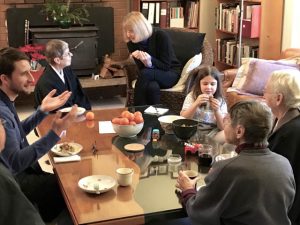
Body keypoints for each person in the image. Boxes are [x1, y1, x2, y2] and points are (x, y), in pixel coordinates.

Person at [176, 100, 295, 225]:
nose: (224, 125)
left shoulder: (228, 168)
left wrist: (187, 189)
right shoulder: (284, 163)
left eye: (227, 121)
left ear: (239, 131)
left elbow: (198, 212)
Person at [0, 47, 77, 222]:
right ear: (4, 79)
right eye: (23, 74)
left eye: (30, 71)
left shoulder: (6, 100)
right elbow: (16, 162)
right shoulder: (1, 111)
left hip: (18, 173)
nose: (31, 78)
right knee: (67, 188)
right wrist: (55, 133)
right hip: (14, 182)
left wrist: (41, 111)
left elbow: (16, 132)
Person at [264, 69, 300, 225]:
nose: (263, 95)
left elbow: (276, 179)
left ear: (278, 98)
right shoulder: (284, 117)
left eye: (265, 91)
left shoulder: (290, 133)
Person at [122, 11, 181, 105]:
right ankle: (151, 117)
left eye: (131, 31)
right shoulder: (131, 43)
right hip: (150, 75)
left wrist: (150, 60)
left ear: (140, 29)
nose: (128, 35)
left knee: (145, 74)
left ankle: (136, 110)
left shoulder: (161, 36)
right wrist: (147, 64)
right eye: (127, 31)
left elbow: (166, 66)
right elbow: (142, 69)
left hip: (170, 73)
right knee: (152, 87)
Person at [0, 118, 45, 225]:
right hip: (21, 178)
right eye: (2, 124)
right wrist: (56, 133)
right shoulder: (2, 177)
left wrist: (41, 112)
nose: (4, 129)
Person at [34, 39, 91, 111]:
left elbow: (79, 94)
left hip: (75, 113)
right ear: (57, 60)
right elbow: (56, 108)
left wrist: (84, 111)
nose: (71, 54)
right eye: (67, 54)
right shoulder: (46, 82)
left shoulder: (67, 70)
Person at [180, 66, 227, 142]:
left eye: (212, 84)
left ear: (217, 85)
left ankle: (209, 145)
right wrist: (196, 104)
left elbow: (222, 127)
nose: (209, 87)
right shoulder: (192, 96)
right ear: (199, 84)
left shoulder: (220, 100)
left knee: (227, 134)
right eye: (205, 84)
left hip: (213, 134)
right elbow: (183, 119)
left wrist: (217, 111)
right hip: (193, 131)